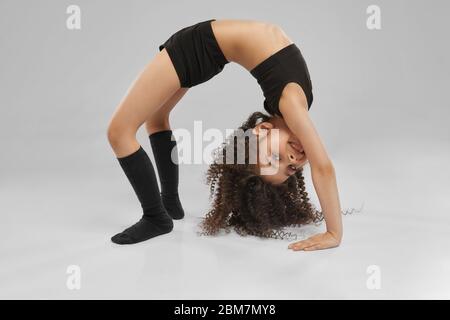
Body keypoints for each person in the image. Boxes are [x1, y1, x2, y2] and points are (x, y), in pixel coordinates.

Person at [107, 19, 343, 251]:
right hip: (201, 46)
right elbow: (323, 168)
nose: (292, 161)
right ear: (262, 130)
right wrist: (334, 231)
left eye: (277, 162)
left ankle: (156, 217)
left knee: (119, 133)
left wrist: (332, 234)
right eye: (284, 163)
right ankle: (169, 204)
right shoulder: (292, 105)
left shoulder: (290, 106)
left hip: (200, 48)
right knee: (154, 120)